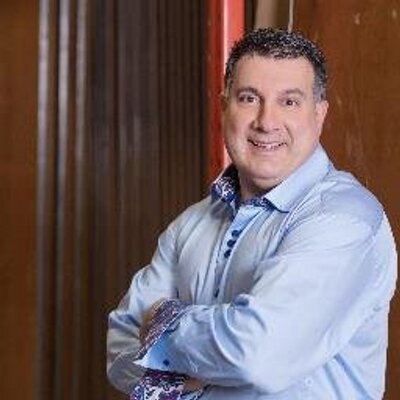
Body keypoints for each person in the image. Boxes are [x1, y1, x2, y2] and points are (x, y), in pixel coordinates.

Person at [107, 28, 397, 400]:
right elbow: (120, 348)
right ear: (224, 106)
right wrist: (183, 373)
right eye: (249, 98)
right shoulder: (190, 224)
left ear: (319, 114)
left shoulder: (343, 219)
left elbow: (259, 355)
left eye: (289, 102)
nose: (266, 121)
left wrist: (165, 322)